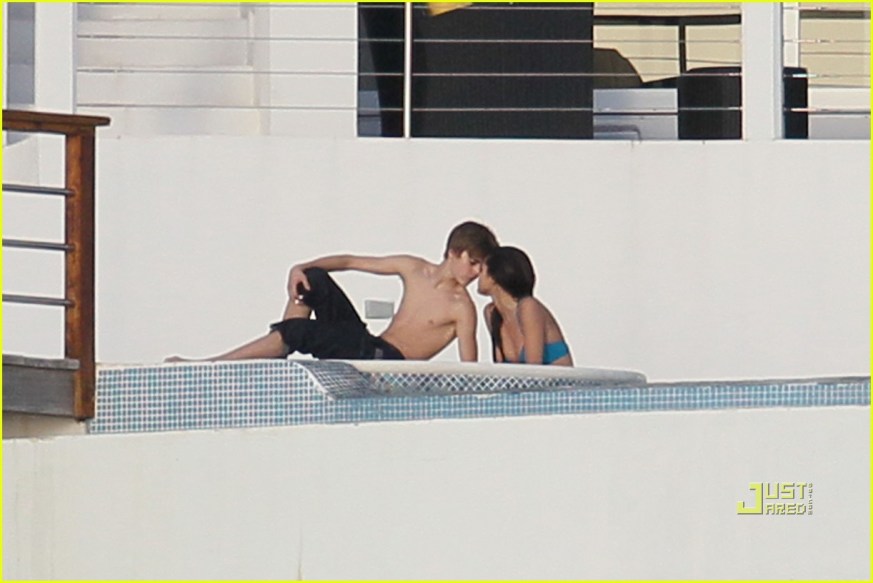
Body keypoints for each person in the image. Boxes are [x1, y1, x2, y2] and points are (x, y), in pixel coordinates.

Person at [166, 221, 498, 363]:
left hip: (385, 363)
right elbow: (351, 261)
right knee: (314, 278)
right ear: (454, 253)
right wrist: (301, 266)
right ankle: (283, 347)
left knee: (299, 331)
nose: (476, 273)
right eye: (473, 263)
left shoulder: (461, 307)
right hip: (366, 344)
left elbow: (469, 366)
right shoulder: (414, 268)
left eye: (480, 267)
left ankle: (210, 365)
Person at [477, 246, 573, 366]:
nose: (477, 275)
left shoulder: (528, 307)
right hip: (520, 378)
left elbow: (533, 366)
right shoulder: (491, 313)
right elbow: (501, 367)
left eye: (481, 270)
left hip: (554, 378)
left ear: (493, 277)